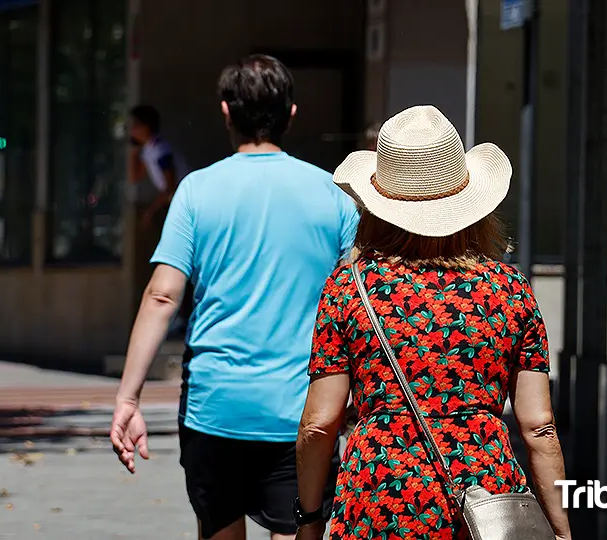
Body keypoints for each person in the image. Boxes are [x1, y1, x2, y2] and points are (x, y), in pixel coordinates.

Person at [110, 55, 360, 540]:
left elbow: (163, 296)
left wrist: (128, 398)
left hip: (215, 408)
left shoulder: (196, 191)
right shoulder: (333, 195)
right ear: (290, 114)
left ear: (226, 112)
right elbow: (358, 305)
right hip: (304, 413)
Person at [294, 106, 571, 540]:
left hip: (379, 499)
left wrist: (309, 518)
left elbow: (319, 422)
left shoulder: (350, 287)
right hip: (484, 503)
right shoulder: (509, 289)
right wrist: (560, 528)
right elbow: (538, 427)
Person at [128, 105, 191, 332]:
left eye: (135, 125)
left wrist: (151, 211)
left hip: (180, 208)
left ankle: (184, 316)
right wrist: (134, 152)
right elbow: (134, 177)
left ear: (145, 127)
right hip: (169, 207)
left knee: (180, 263)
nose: (131, 130)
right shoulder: (147, 150)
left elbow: (170, 187)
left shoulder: (161, 149)